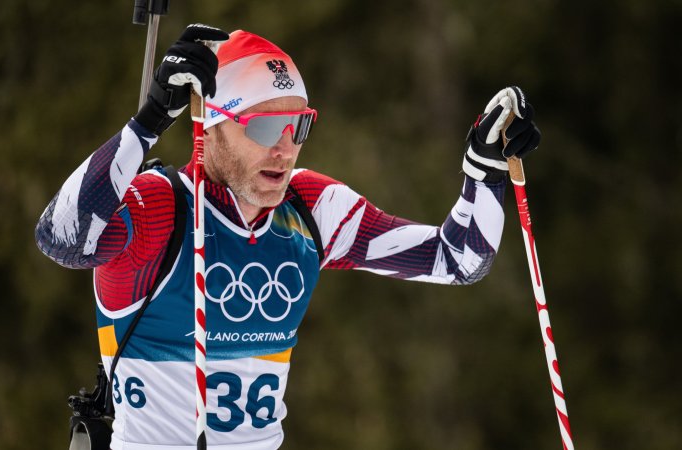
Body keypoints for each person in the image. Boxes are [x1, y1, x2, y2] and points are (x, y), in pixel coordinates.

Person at [36, 24, 540, 450]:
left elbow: (458, 259)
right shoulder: (160, 208)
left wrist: (483, 170)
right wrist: (149, 121)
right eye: (263, 127)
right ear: (210, 125)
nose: (283, 150)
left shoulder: (309, 209)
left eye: (297, 126)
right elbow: (62, 239)